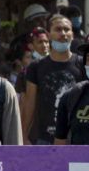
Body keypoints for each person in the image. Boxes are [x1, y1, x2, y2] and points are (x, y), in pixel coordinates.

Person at [19, 15, 82, 144]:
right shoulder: (35, 67)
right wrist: (23, 136)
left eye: (66, 29)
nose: (63, 34)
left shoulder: (83, 64)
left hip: (76, 140)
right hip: (44, 140)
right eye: (58, 29)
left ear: (72, 34)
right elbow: (30, 104)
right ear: (48, 34)